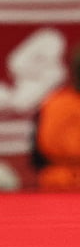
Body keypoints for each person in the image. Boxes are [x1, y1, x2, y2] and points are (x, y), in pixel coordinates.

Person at [33, 43, 80, 191]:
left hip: (55, 182)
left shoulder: (53, 103)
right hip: (58, 181)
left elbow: (36, 157)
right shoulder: (54, 104)